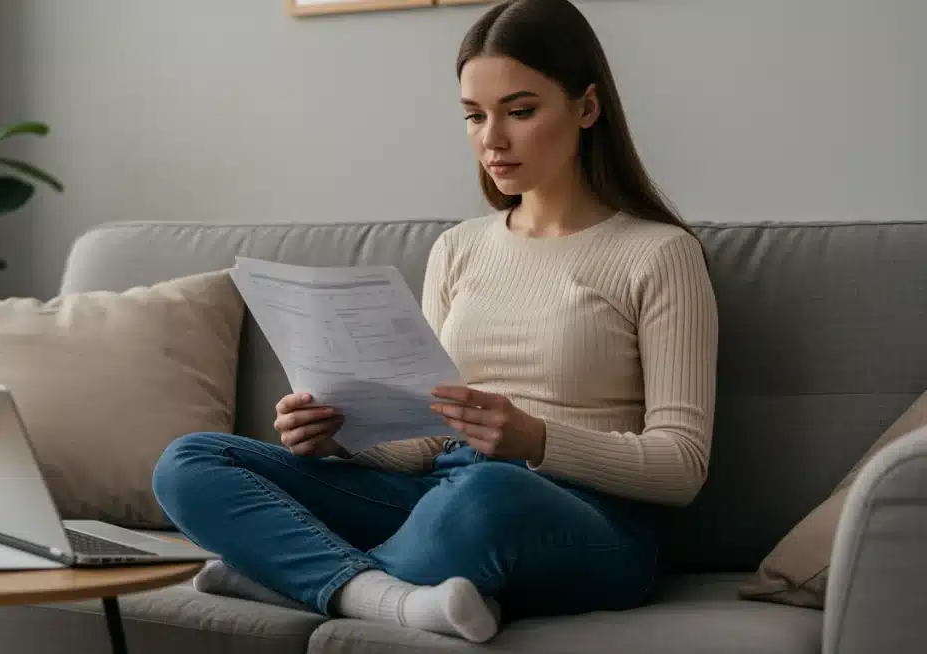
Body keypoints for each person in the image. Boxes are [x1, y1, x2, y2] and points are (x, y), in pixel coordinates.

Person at [152, 0, 718, 643]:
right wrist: (342, 435)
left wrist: (536, 441)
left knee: (486, 498)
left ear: (587, 109)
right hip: (439, 494)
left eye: (520, 111)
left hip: (584, 521)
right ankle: (384, 590)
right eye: (474, 116)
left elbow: (682, 465)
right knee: (190, 460)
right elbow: (425, 439)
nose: (492, 140)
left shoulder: (660, 255)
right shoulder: (458, 248)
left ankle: (294, 578)